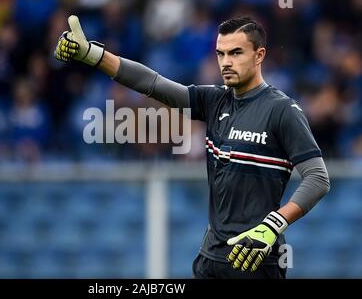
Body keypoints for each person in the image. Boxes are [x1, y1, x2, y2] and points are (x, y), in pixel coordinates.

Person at [54, 15, 330, 279]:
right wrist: (93, 55)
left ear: (259, 55)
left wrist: (273, 225)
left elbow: (318, 179)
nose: (225, 62)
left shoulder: (282, 110)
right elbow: (152, 84)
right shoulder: (214, 101)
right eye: (220, 54)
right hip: (210, 258)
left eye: (235, 53)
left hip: (256, 258)